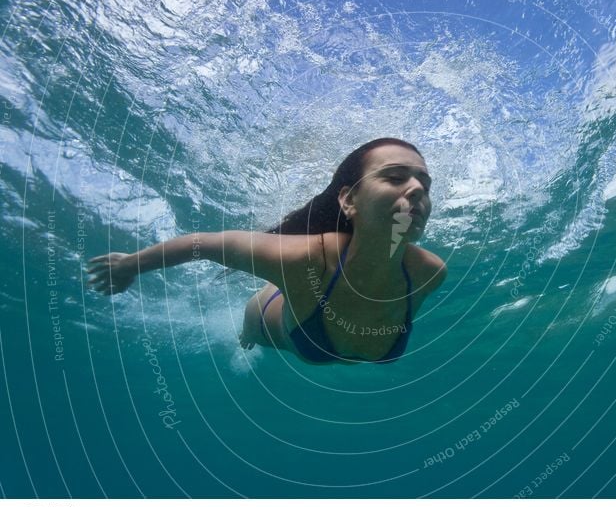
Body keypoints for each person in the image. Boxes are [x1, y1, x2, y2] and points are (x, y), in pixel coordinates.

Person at [86, 138, 447, 364]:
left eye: (424, 184)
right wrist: (129, 265)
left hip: (323, 307)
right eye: (395, 177)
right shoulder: (303, 257)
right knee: (264, 312)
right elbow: (206, 244)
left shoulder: (429, 274)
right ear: (349, 200)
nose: (417, 188)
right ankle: (260, 315)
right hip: (273, 322)